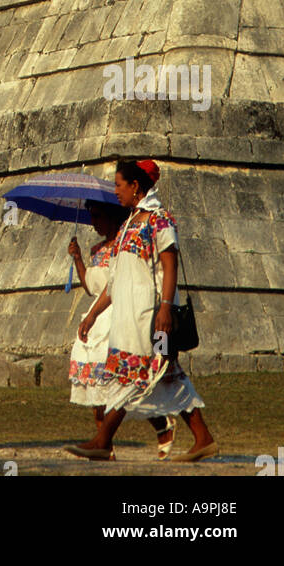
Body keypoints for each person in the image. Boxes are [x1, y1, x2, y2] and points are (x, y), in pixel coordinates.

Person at [65, 160, 218, 462]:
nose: (116, 191)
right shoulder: (129, 225)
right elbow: (116, 278)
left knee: (137, 372)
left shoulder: (159, 220)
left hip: (153, 319)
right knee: (164, 373)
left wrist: (164, 309)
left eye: (119, 185)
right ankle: (203, 438)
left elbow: (170, 265)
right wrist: (95, 314)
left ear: (135, 186)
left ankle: (103, 440)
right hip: (129, 318)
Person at [69, 201, 175, 460]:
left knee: (125, 381)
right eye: (91, 216)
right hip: (96, 315)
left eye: (98, 216)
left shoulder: (125, 241)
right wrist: (78, 259)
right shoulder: (97, 249)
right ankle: (104, 444)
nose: (94, 222)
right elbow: (91, 287)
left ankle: (158, 423)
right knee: (94, 383)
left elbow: (118, 285)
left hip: (118, 315)